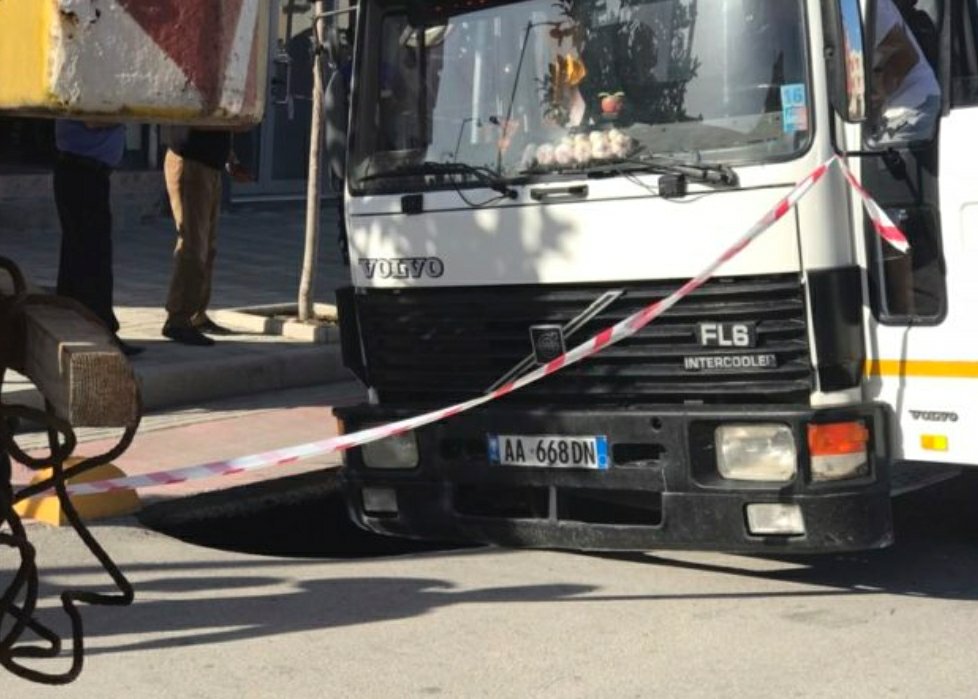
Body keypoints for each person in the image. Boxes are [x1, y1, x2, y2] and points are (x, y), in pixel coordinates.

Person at [53, 119, 143, 356]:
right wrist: (126, 115)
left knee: (84, 255)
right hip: (81, 171)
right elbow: (93, 121)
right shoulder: (83, 97)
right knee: (92, 258)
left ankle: (83, 328)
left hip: (89, 173)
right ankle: (99, 332)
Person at [161, 127, 248, 346]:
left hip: (210, 166)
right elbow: (202, 118)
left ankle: (196, 315)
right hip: (191, 161)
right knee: (193, 245)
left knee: (208, 247)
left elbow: (220, 122)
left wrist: (230, 158)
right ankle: (177, 320)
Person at [869, 0, 941, 145]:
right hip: (894, 104)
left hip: (912, 103)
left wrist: (877, 93)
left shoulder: (873, 7)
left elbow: (906, 56)